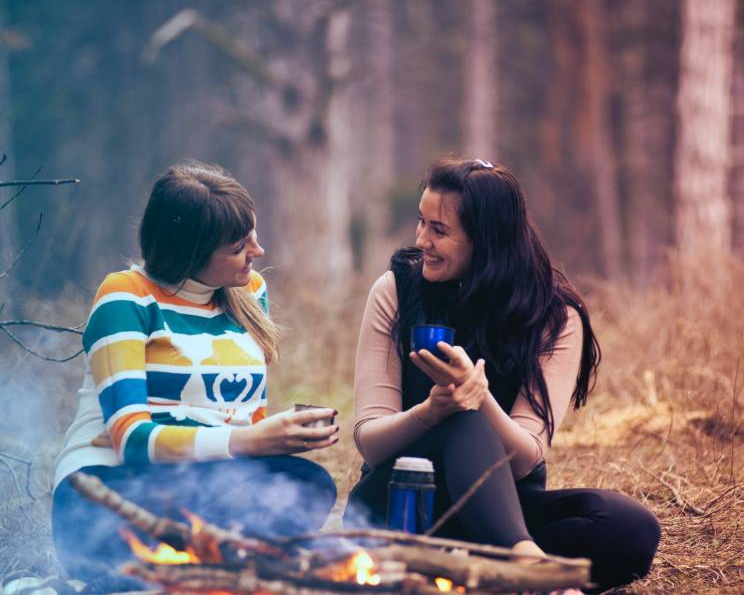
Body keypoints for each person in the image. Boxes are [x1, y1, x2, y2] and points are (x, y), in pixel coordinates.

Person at [344, 157, 660, 592]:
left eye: (439, 230)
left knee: (630, 527)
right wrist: (431, 412)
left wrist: (481, 398)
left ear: (486, 240)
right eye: (422, 223)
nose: (422, 240)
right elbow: (371, 441)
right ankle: (527, 567)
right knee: (461, 420)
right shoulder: (396, 291)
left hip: (500, 506)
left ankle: (486, 568)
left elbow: (527, 455)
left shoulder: (555, 316)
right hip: (399, 504)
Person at [51, 162, 339, 590]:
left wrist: (275, 437)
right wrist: (248, 442)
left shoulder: (249, 291)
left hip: (201, 484)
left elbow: (242, 416)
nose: (257, 251)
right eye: (240, 245)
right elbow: (131, 441)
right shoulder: (126, 296)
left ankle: (193, 572)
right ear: (190, 252)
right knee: (249, 501)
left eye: (253, 236)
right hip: (106, 492)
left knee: (306, 482)